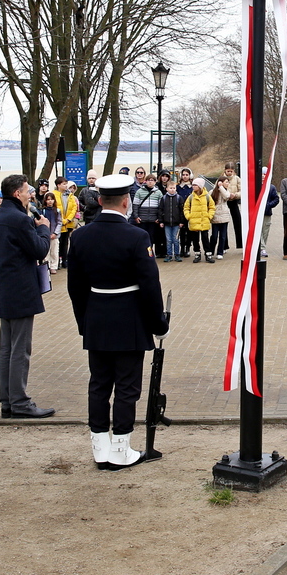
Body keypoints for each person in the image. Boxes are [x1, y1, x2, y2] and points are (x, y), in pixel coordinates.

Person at [66, 173, 170, 471]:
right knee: (127, 386)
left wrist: (84, 323)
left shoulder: (80, 236)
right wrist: (158, 323)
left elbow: (75, 288)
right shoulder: (137, 237)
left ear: (100, 201)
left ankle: (100, 448)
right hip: (129, 319)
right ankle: (120, 449)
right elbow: (149, 285)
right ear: (126, 202)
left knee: (99, 384)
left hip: (97, 317)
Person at [0, 175, 56, 419]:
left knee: (6, 347)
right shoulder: (20, 219)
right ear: (17, 193)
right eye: (27, 191)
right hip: (21, 289)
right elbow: (39, 249)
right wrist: (43, 228)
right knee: (20, 349)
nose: (30, 195)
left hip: (4, 288)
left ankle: (8, 401)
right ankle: (20, 402)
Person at [183, 178, 215, 263]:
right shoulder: (191, 197)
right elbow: (186, 208)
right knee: (195, 240)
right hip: (194, 222)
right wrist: (189, 217)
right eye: (193, 185)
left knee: (205, 239)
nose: (193, 187)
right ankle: (197, 254)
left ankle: (208, 254)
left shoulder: (207, 196)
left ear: (200, 186)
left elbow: (212, 207)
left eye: (195, 185)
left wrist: (209, 216)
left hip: (204, 221)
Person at [156, 175, 186, 263]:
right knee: (168, 240)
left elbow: (182, 211)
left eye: (174, 188)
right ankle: (169, 255)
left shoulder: (179, 198)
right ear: (167, 189)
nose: (172, 190)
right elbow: (160, 210)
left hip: (177, 223)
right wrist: (161, 221)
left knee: (176, 240)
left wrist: (181, 221)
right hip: (167, 223)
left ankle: (177, 254)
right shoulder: (164, 198)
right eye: (171, 188)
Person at [54, 177, 79, 266]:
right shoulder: (54, 194)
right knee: (57, 243)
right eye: (64, 184)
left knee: (65, 243)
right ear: (58, 185)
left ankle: (64, 260)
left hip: (68, 223)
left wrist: (68, 219)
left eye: (66, 184)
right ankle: (56, 262)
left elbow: (74, 208)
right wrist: (61, 220)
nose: (66, 186)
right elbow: (54, 207)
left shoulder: (70, 195)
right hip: (57, 223)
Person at [218, 162, 243, 250]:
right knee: (223, 223)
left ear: (233, 171)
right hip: (224, 202)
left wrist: (235, 195)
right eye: (228, 171)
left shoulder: (237, 179)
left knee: (238, 221)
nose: (229, 173)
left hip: (233, 201)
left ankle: (241, 243)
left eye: (231, 171)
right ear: (225, 170)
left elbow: (242, 190)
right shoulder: (221, 179)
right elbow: (217, 190)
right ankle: (224, 245)